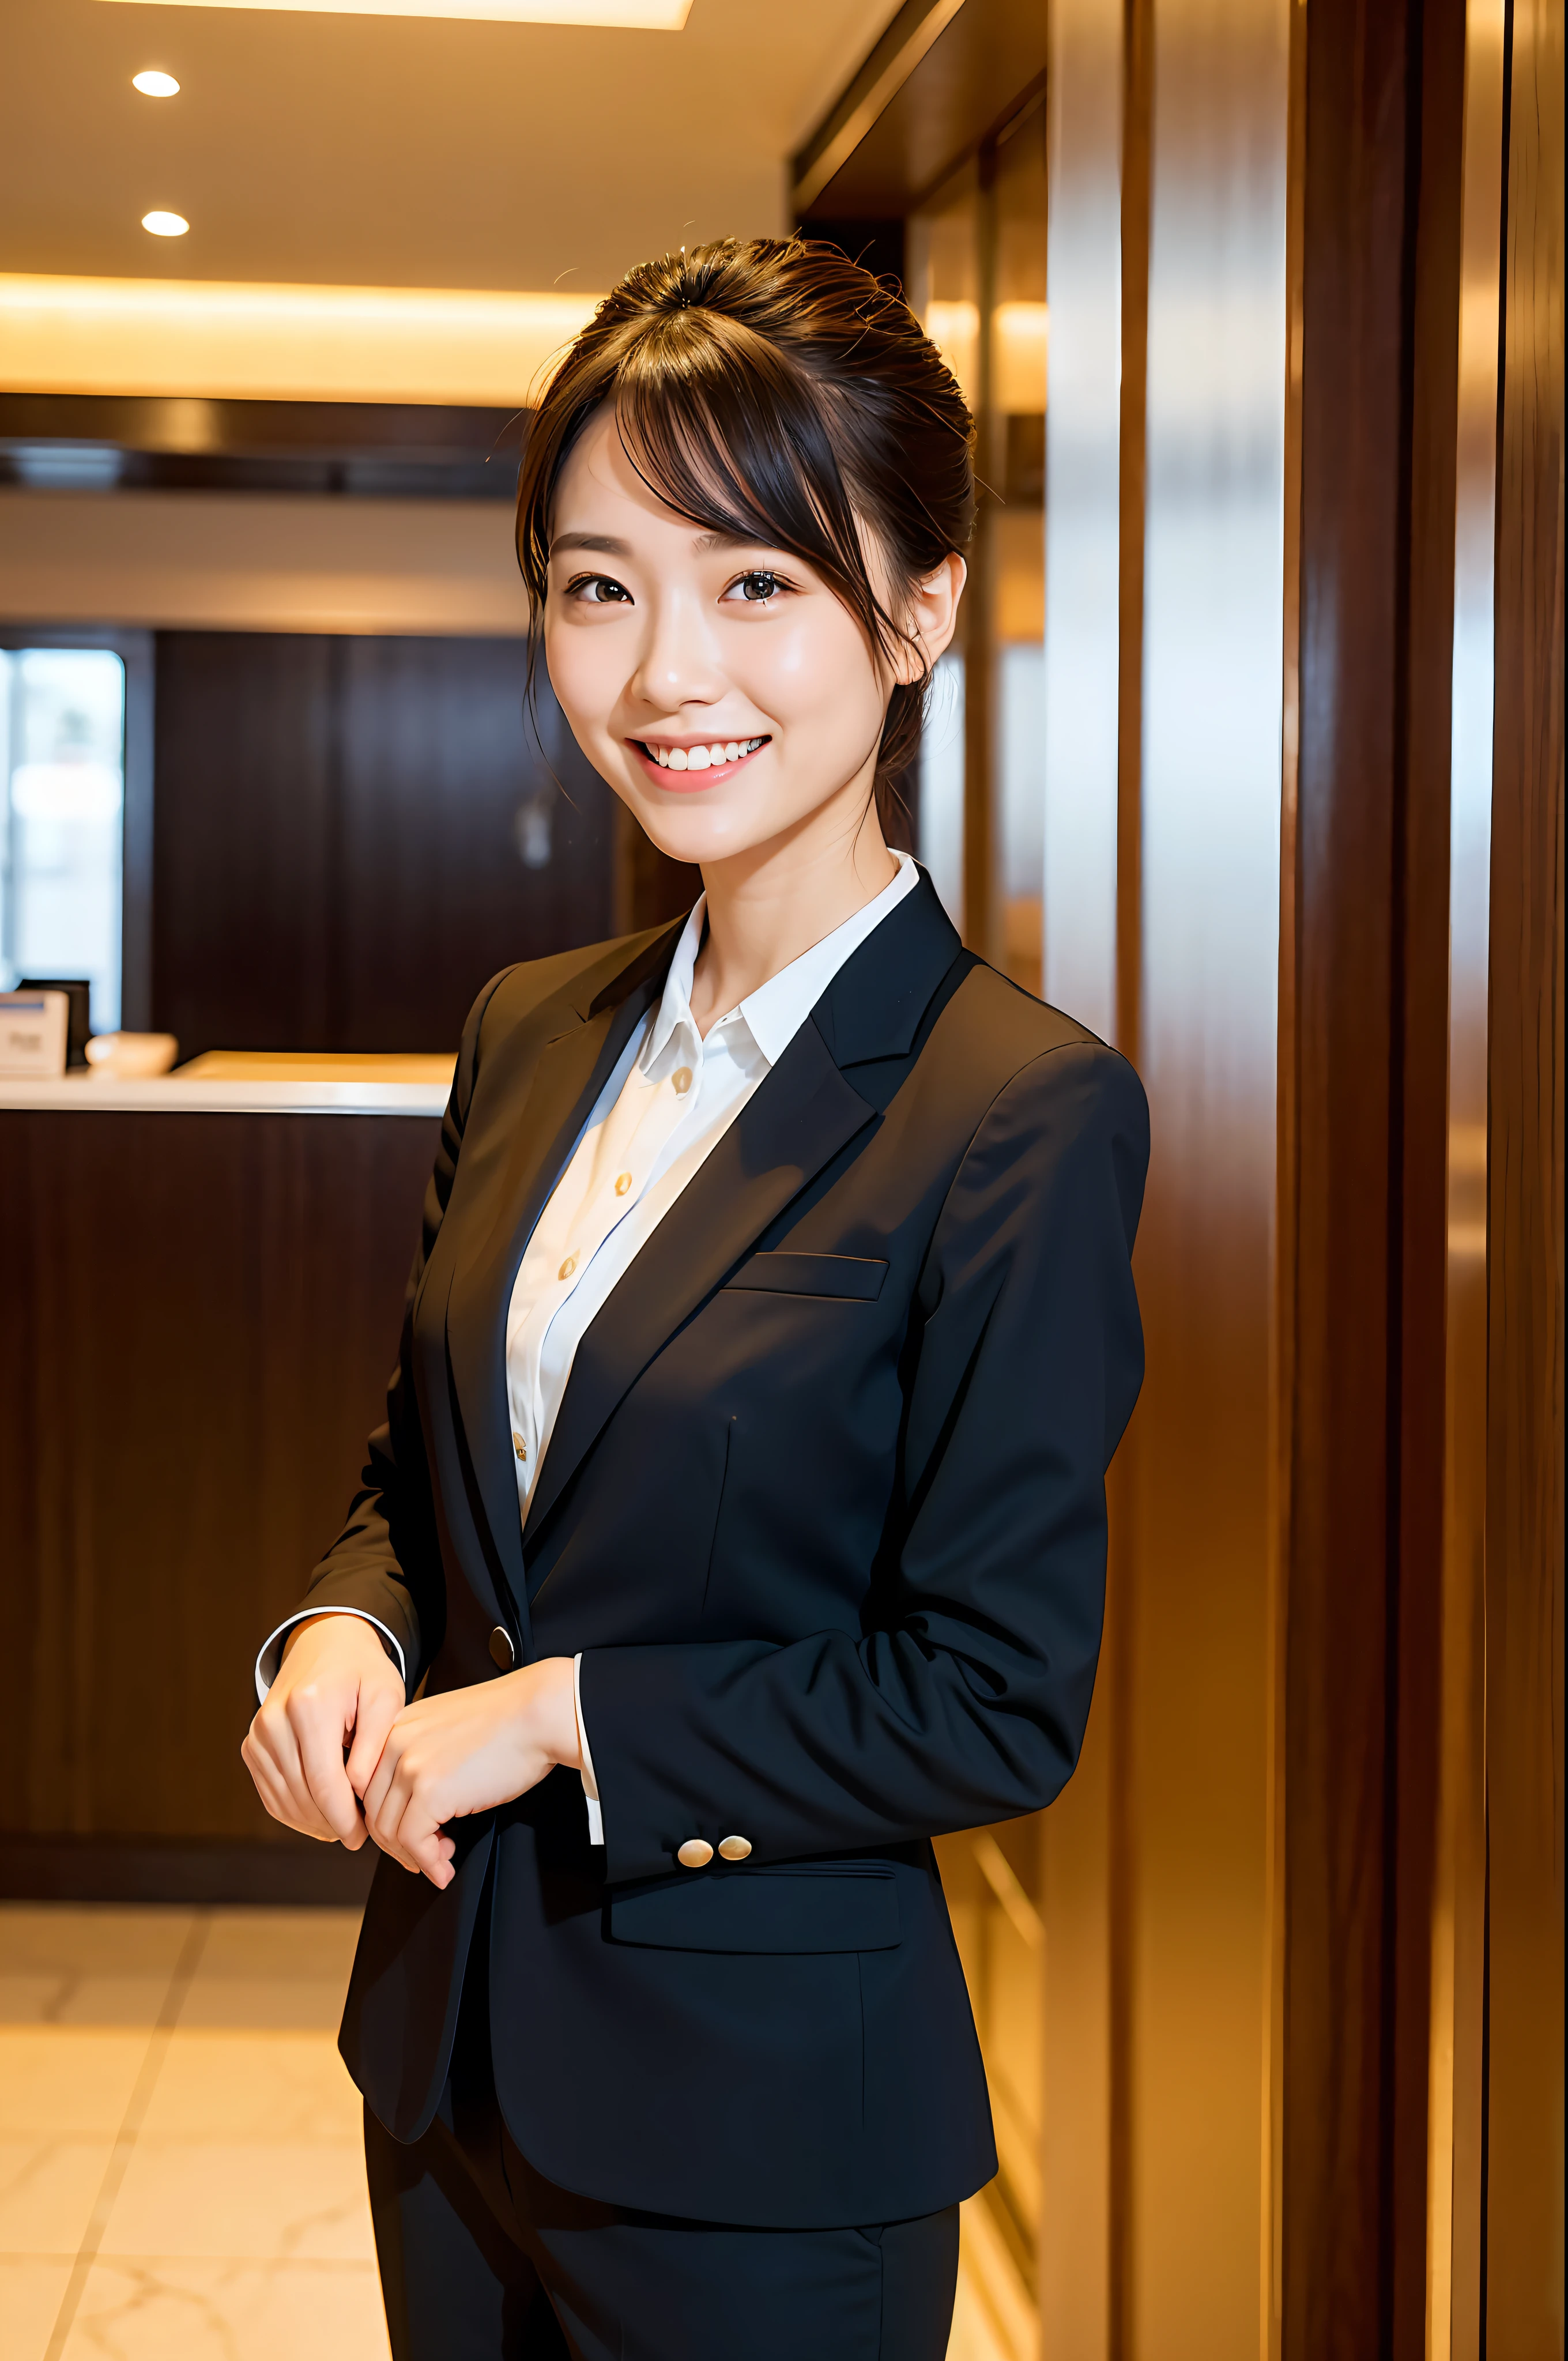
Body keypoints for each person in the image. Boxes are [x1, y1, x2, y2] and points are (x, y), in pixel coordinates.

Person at [242, 235, 1148, 2361]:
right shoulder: (532, 1027)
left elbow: (992, 1698)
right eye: (597, 584)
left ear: (918, 611)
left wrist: (554, 1717)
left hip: (761, 2164)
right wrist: (343, 1634)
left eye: (756, 581)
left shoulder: (1017, 1108)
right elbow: (428, 1479)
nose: (665, 673)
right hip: (448, 2079)